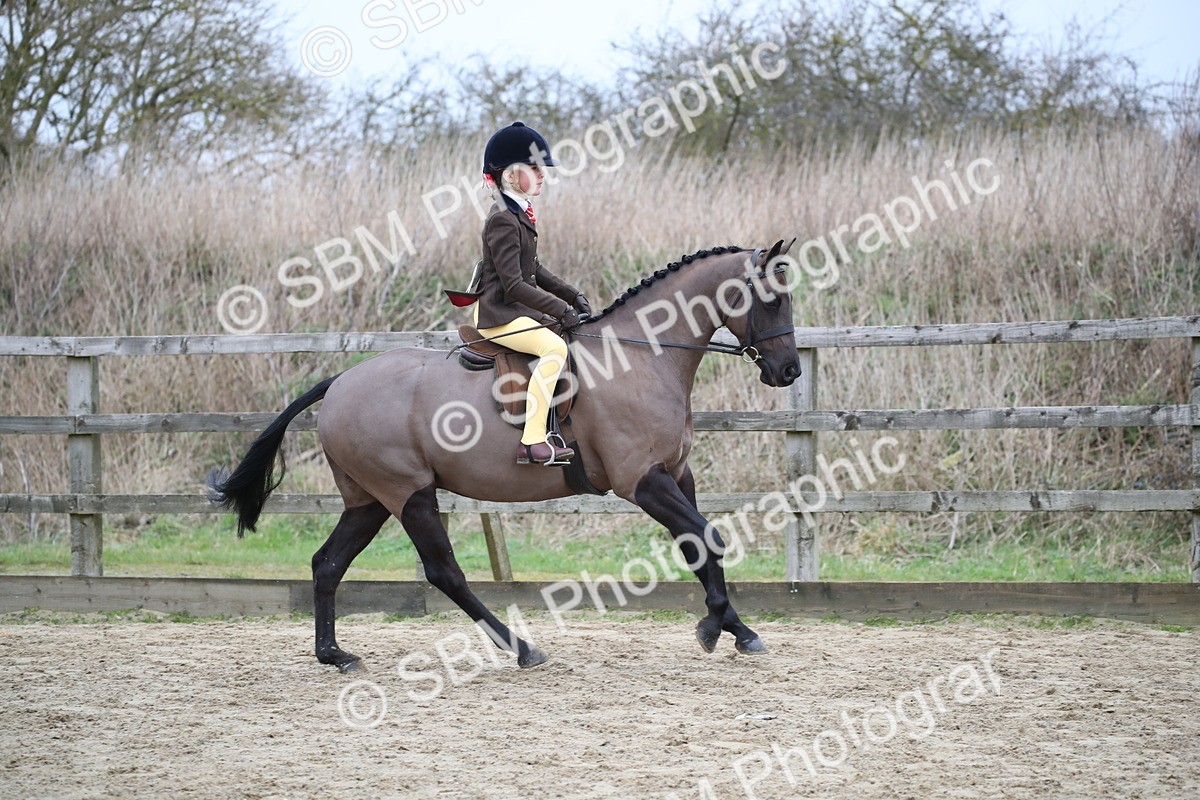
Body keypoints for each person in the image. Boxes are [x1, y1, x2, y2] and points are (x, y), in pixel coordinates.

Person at [472, 121, 592, 465]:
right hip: (500, 315)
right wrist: (561, 310)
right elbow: (514, 284)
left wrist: (573, 296)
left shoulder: (518, 212)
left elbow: (534, 269)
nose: (542, 176)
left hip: (514, 310)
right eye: (535, 169)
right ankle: (532, 440)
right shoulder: (502, 219)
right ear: (511, 175)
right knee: (553, 349)